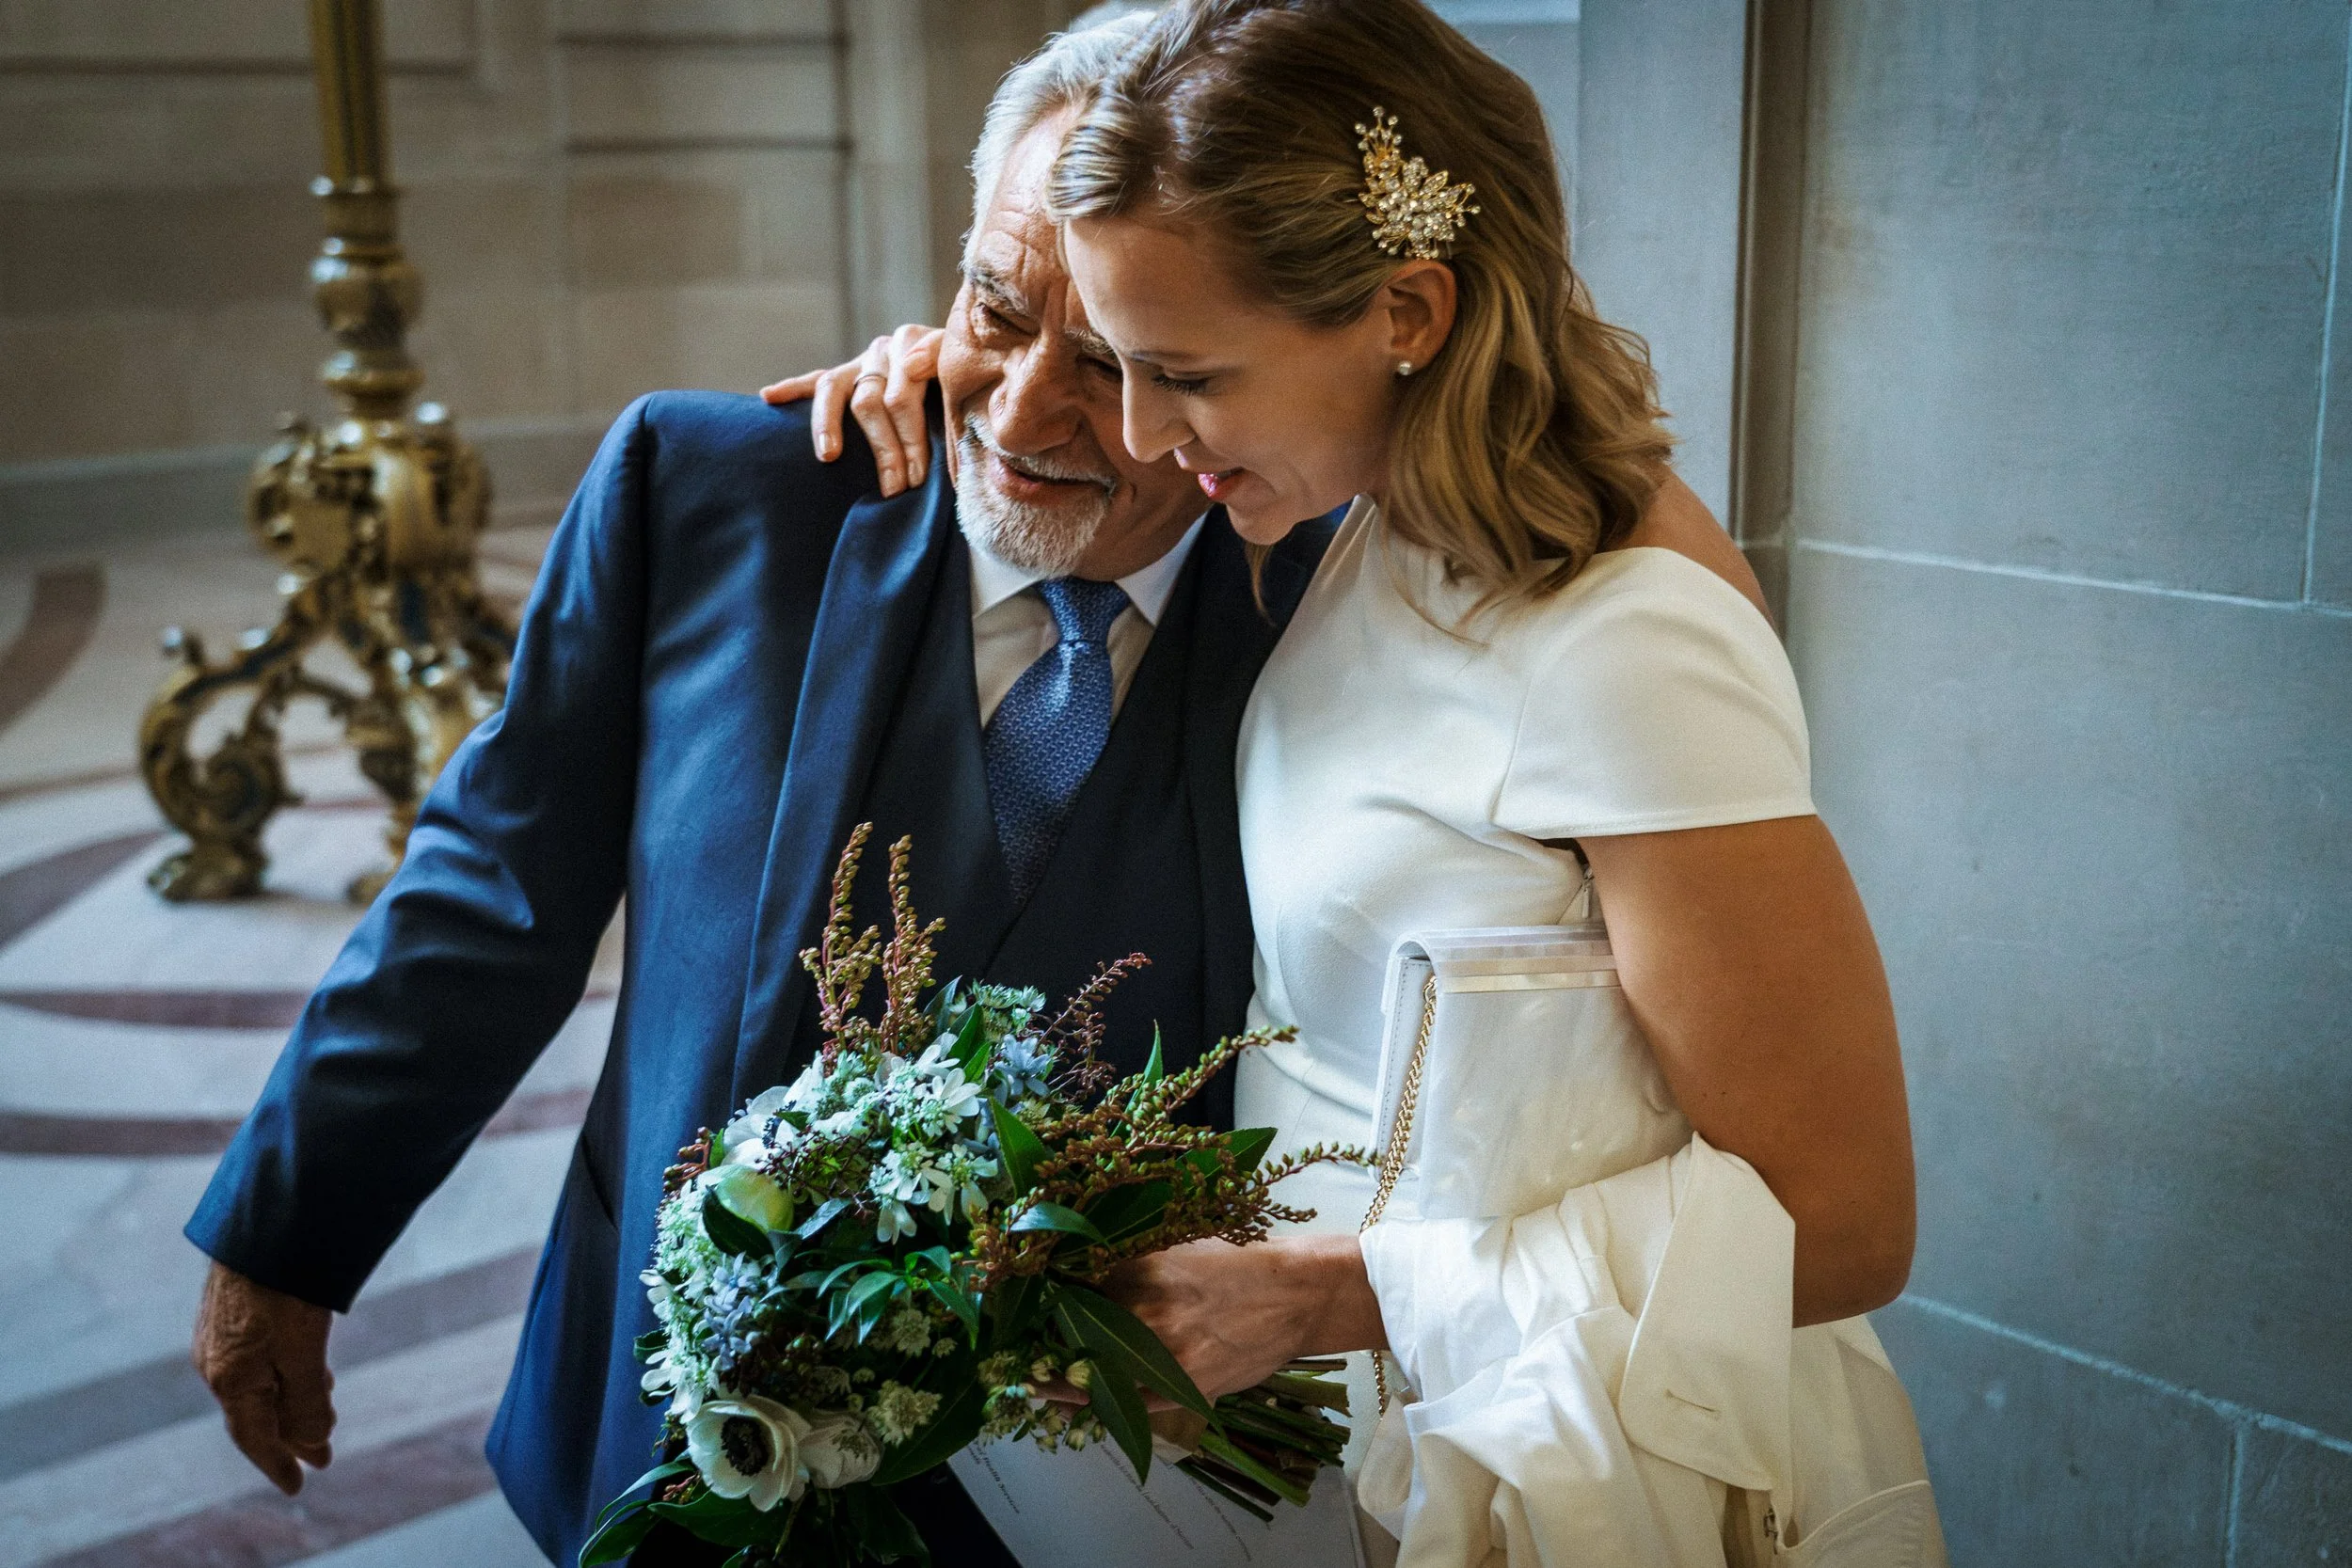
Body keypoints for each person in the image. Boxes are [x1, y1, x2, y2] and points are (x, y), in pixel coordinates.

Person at [772, 2, 1944, 1560]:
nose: (1134, 432)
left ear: (1407, 306)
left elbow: (1847, 1219)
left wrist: (1333, 1293)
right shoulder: (1350, 517)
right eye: (1118, 360)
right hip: (1317, 1439)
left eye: (1180, 372)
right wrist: (960, 373)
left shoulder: (1629, 638)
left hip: (1560, 1455)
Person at [180, 13, 1334, 1564]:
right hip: (662, 1435)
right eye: (996, 310)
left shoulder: (1333, 605)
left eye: (1123, 363)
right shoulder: (717, 493)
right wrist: (284, 1229)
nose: (1025, 409)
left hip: (1091, 1489)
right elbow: (494, 891)